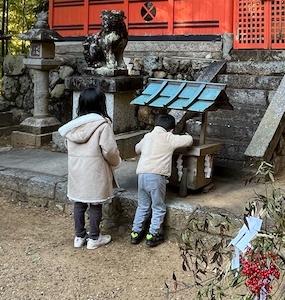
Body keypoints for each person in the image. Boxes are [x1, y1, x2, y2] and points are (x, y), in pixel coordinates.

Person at [57, 87, 121, 250]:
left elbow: (68, 146)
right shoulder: (102, 125)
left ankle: (79, 236)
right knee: (95, 203)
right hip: (95, 170)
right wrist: (116, 162)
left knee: (78, 202)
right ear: (101, 104)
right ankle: (94, 237)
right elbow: (109, 150)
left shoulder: (72, 127)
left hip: (76, 170)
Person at [130, 112, 193, 248]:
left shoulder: (148, 136)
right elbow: (188, 141)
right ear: (171, 129)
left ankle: (136, 232)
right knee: (158, 206)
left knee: (143, 205)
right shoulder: (169, 137)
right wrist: (187, 135)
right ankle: (153, 234)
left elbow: (137, 149)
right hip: (157, 176)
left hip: (141, 175)